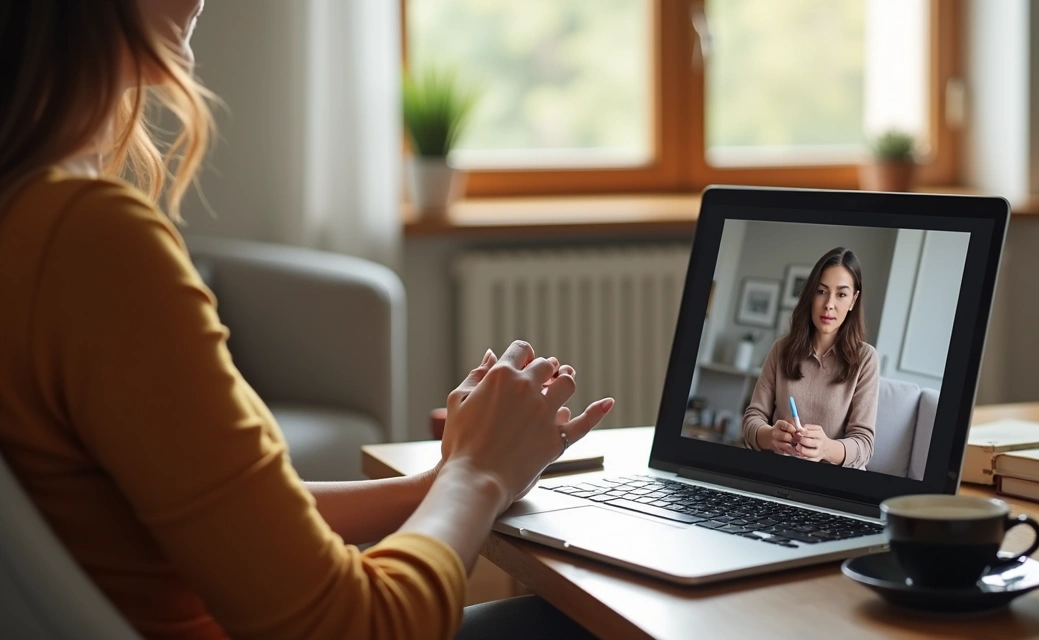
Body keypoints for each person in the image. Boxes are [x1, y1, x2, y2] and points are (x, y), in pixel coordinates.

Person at [0, 2, 611, 638]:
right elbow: (354, 627)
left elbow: (227, 523)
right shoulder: (89, 245)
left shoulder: (29, 226)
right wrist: (477, 475)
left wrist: (443, 481)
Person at [741, 247, 878, 469]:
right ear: (810, 294)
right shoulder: (781, 349)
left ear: (854, 300)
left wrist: (826, 448)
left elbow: (864, 445)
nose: (829, 304)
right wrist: (770, 436)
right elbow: (752, 419)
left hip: (833, 484)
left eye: (841, 294)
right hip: (779, 473)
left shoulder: (866, 359)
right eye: (821, 291)